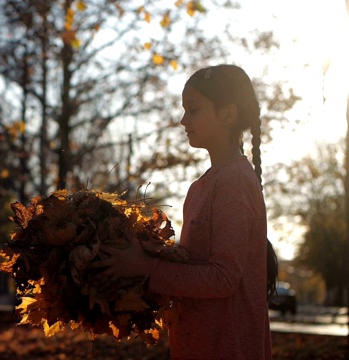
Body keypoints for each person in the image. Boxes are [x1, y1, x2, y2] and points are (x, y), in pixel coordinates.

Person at [93, 64, 277, 359]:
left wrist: (144, 267)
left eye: (194, 109)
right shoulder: (201, 186)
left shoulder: (235, 182)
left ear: (227, 114)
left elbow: (223, 279)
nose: (182, 120)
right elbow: (193, 268)